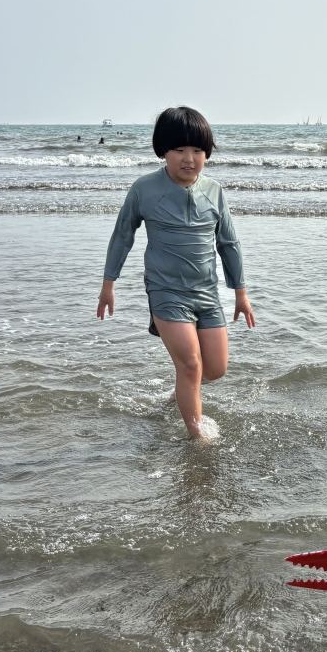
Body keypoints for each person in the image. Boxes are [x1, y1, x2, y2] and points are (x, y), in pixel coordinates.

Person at [96, 105, 255, 440]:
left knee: (215, 369)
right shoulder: (144, 189)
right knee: (192, 366)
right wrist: (108, 285)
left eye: (197, 150)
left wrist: (240, 293)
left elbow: (228, 243)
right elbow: (122, 235)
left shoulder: (214, 191)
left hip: (207, 293)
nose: (189, 158)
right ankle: (198, 439)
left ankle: (178, 394)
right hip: (165, 292)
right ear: (163, 151)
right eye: (179, 149)